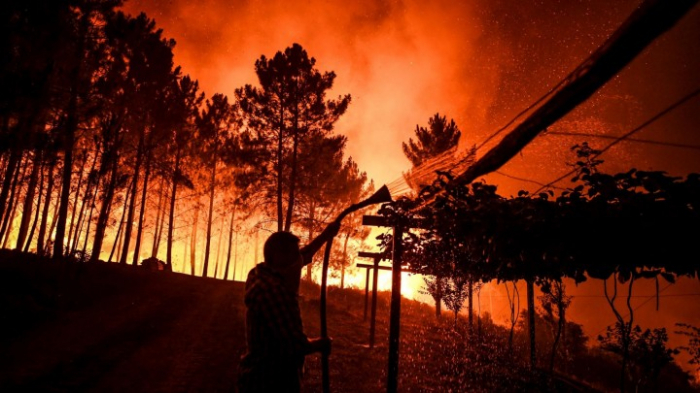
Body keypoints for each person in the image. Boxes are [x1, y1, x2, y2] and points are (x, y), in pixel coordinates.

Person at [237, 221, 341, 393]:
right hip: (269, 381)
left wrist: (326, 235)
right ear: (278, 256)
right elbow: (295, 345)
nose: (298, 260)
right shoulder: (273, 292)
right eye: (293, 255)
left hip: (259, 377)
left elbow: (305, 255)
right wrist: (320, 344)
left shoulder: (260, 272)